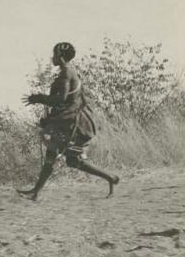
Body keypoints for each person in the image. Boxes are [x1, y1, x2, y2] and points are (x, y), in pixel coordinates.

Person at [19, 42, 119, 201]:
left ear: (60, 57)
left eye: (54, 55)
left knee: (71, 160)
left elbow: (61, 99)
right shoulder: (68, 72)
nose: (52, 58)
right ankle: (36, 192)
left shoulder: (67, 73)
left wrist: (40, 98)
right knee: (59, 156)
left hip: (71, 123)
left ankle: (110, 178)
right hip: (67, 120)